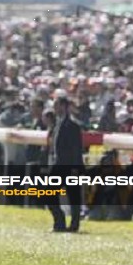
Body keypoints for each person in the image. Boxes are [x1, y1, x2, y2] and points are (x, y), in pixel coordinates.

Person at [46, 96, 84, 232]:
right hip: (58, 164)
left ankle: (73, 225)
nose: (54, 108)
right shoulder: (57, 124)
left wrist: (75, 168)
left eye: (57, 105)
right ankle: (60, 221)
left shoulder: (73, 125)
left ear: (64, 106)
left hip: (69, 166)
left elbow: (76, 149)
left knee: (73, 196)